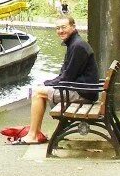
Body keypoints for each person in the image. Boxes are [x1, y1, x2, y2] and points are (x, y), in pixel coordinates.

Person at [15, 16, 99, 145]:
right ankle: (35, 133)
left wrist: (46, 84)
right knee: (41, 90)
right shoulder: (75, 44)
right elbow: (65, 75)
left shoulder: (77, 47)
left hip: (83, 94)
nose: (60, 31)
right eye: (58, 28)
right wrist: (48, 83)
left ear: (73, 27)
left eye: (64, 27)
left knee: (37, 93)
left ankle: (33, 135)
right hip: (83, 90)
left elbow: (67, 77)